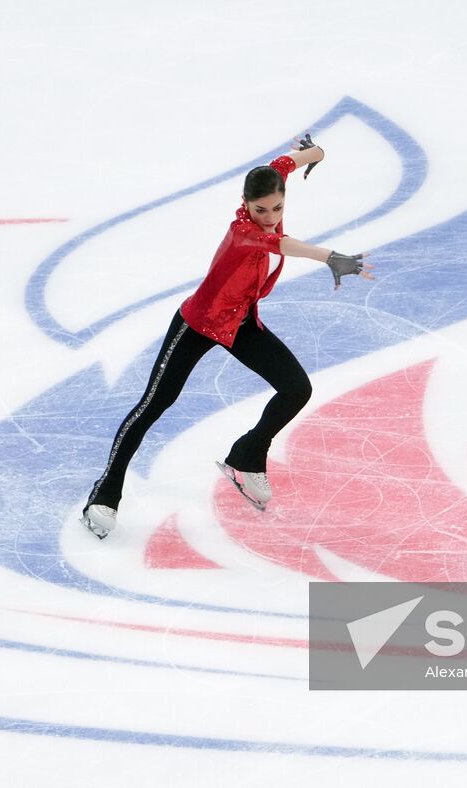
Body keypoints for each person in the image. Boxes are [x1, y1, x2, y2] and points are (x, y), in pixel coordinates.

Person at [81, 133, 374, 539]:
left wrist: (315, 152)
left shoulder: (272, 189)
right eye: (260, 209)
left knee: (296, 389)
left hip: (240, 323)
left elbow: (283, 164)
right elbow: (280, 243)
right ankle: (105, 493)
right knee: (154, 404)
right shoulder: (244, 231)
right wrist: (330, 257)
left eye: (277, 207)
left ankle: (248, 457)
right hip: (198, 324)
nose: (269, 216)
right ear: (245, 203)